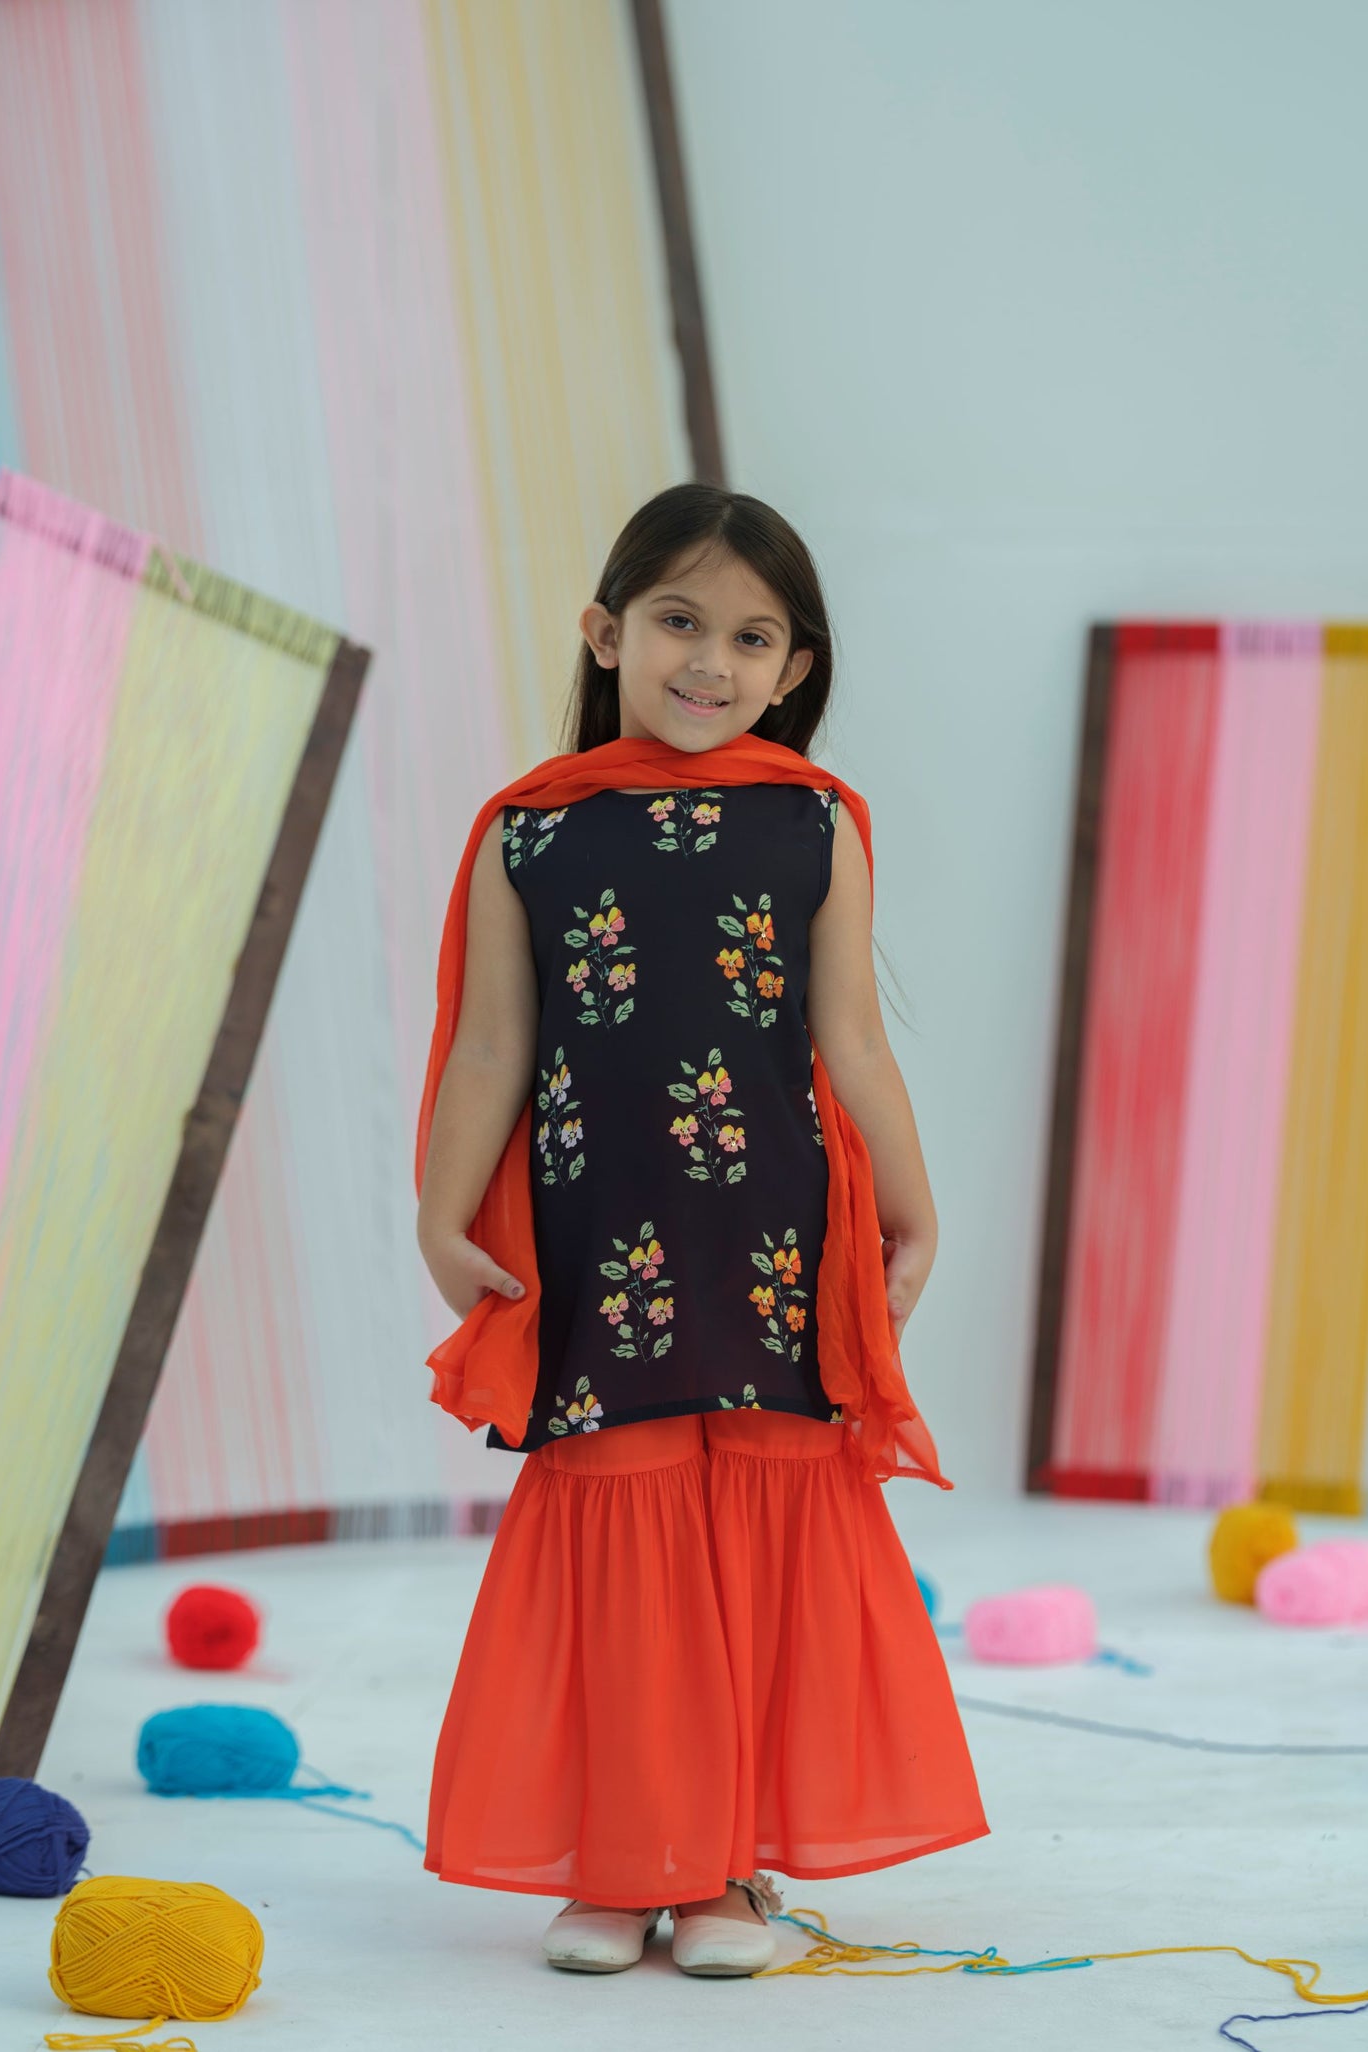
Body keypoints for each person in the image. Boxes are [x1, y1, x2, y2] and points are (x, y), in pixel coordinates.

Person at [415, 482, 988, 1977]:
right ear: (607, 632)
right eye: (680, 621)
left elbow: (852, 1043)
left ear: (794, 669)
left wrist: (914, 1211)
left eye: (751, 637)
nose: (710, 661)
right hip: (602, 1238)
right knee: (623, 1511)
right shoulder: (529, 833)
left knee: (753, 1534)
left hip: (768, 1237)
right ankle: (625, 1865)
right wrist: (437, 1213)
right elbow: (492, 1048)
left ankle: (726, 1876)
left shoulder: (815, 821)